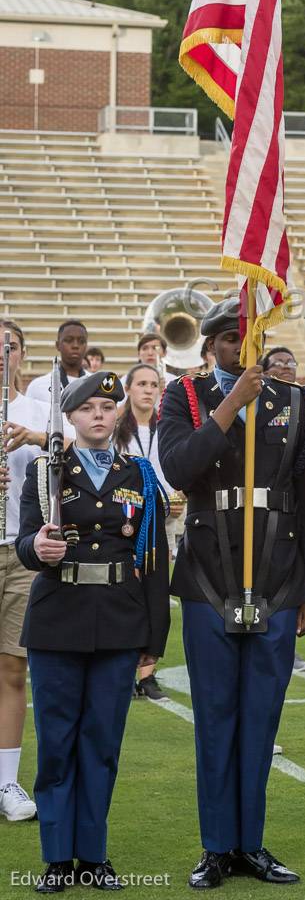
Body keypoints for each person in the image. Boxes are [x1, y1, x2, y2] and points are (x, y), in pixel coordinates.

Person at [158, 298, 305, 889]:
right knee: (216, 717)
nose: (240, 346)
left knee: (261, 717)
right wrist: (232, 404)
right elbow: (180, 467)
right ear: (210, 347)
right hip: (210, 576)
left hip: (278, 577)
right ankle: (215, 845)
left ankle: (251, 843)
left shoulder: (300, 403)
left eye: (249, 335)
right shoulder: (186, 396)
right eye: (229, 338)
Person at [15, 371, 169, 893]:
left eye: (108, 407)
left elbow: (153, 559)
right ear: (71, 417)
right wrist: (38, 549)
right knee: (57, 743)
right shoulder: (45, 473)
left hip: (120, 622)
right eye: (88, 409)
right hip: (59, 619)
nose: (99, 415)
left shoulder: (142, 476)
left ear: (117, 415)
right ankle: (59, 858)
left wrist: (154, 639)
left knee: (102, 743)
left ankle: (94, 854)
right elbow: (23, 543)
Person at [0, 319, 48, 822]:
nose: (0, 354)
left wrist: (36, 436)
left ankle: (7, 781)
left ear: (21, 354)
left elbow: (75, 457)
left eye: (8, 346)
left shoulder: (39, 409)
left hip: (21, 550)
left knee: (12, 667)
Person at [115, 364, 180, 701]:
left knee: (156, 591)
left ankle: (148, 672)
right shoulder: (116, 426)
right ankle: (125, 666)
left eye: (153, 384)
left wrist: (176, 497)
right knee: (129, 591)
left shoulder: (166, 424)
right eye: (141, 383)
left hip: (163, 518)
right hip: (125, 520)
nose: (148, 390)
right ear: (128, 388)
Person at [25, 322, 90, 441]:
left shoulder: (95, 383)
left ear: (86, 345)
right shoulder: (37, 386)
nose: (75, 345)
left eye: (81, 341)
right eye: (69, 340)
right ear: (57, 345)